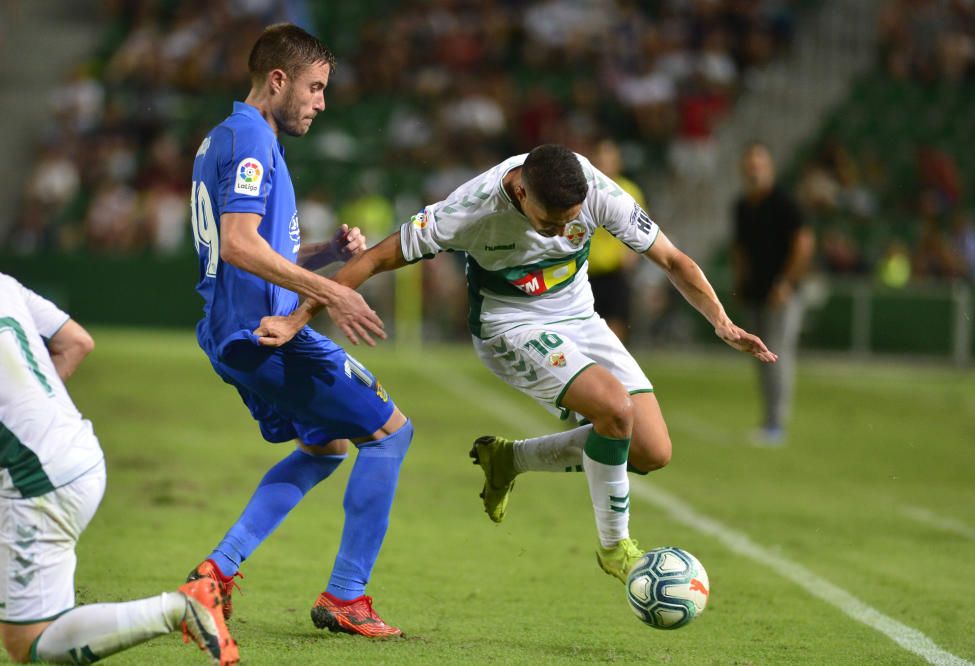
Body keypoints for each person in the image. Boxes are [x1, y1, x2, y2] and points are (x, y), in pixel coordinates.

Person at [255, 144, 776, 583]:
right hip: (510, 326)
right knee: (615, 411)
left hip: (580, 315)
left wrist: (722, 322)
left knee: (652, 450)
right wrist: (300, 318)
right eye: (549, 224)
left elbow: (673, 260)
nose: (557, 234)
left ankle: (510, 460)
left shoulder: (595, 191)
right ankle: (616, 549)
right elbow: (373, 259)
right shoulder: (471, 209)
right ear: (521, 192)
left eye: (568, 224)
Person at [187, 23, 412, 638]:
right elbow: (236, 246)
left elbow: (256, 245)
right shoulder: (252, 141)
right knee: (390, 436)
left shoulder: (228, 138)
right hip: (263, 331)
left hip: (234, 331)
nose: (321, 101)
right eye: (314, 87)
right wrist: (332, 290)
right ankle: (347, 597)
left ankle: (215, 575)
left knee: (326, 446)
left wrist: (323, 255)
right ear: (278, 80)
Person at [0, 273, 238, 665]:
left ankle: (181, 608)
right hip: (78, 451)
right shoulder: (6, 283)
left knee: (29, 643)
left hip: (38, 482)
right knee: (39, 627)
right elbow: (77, 343)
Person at [731, 142, 814, 445]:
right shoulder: (742, 205)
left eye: (759, 164)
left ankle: (776, 423)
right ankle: (769, 420)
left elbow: (804, 243)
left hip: (781, 293)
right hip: (755, 292)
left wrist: (787, 282)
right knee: (760, 356)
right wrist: (740, 282)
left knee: (777, 353)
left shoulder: (784, 202)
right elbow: (740, 249)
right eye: (749, 165)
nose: (754, 170)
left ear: (770, 169)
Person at [587, 138, 644, 343]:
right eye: (599, 156)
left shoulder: (629, 191)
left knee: (615, 328)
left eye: (608, 156)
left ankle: (612, 370)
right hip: (585, 273)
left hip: (615, 273)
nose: (603, 160)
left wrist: (630, 256)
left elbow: (640, 230)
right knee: (587, 331)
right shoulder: (583, 190)